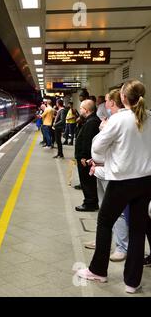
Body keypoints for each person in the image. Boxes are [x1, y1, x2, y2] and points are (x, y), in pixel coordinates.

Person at [77, 80, 151, 294]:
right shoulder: (149, 116)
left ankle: (98, 270)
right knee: (138, 229)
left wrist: (102, 161)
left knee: (105, 221)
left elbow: (97, 146)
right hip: (146, 181)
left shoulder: (119, 119)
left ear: (124, 98)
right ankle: (132, 282)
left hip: (122, 182)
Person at [84, 89, 129, 262]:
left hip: (112, 172)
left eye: (107, 101)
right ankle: (102, 240)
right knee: (104, 211)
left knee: (117, 213)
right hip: (101, 170)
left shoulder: (117, 121)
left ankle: (121, 247)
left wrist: (103, 130)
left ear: (112, 103)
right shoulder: (110, 120)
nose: (104, 104)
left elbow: (103, 146)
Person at [74, 99, 100, 212]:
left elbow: (88, 141)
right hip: (86, 158)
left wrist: (84, 156)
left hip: (85, 159)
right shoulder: (91, 120)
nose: (80, 110)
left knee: (87, 181)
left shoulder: (91, 122)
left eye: (81, 108)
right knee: (87, 181)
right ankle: (91, 202)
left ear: (86, 110)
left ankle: (90, 203)